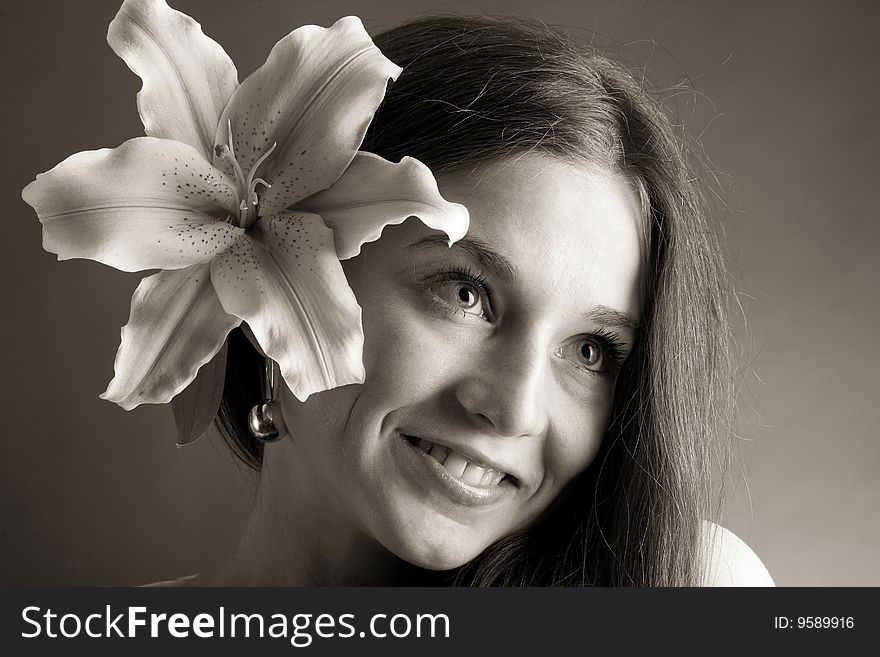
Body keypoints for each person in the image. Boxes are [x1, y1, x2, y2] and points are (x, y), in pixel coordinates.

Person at [201, 17, 773, 587]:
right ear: (273, 284)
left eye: (591, 351)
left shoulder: (683, 583)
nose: (515, 409)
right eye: (466, 295)